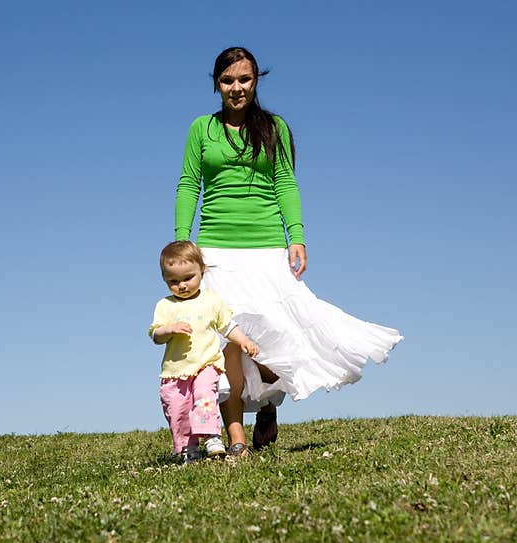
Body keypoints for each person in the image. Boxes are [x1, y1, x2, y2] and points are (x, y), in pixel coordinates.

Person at [174, 46, 403, 458]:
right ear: (216, 85)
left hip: (266, 248)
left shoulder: (274, 127)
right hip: (216, 250)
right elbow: (189, 184)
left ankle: (267, 405)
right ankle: (237, 441)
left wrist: (296, 235)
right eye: (227, 81)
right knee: (227, 342)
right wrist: (182, 241)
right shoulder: (200, 130)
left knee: (274, 337)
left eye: (244, 79)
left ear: (256, 80)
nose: (237, 88)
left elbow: (285, 184)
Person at [149, 240, 260, 463]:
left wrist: (244, 341)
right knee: (177, 409)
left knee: (204, 395)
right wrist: (168, 329)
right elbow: (155, 335)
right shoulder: (165, 305)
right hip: (176, 371)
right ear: (164, 279)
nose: (181, 285)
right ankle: (188, 449)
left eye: (188, 278)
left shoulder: (211, 299)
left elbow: (227, 326)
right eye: (173, 281)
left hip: (206, 364)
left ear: (202, 270)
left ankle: (211, 436)